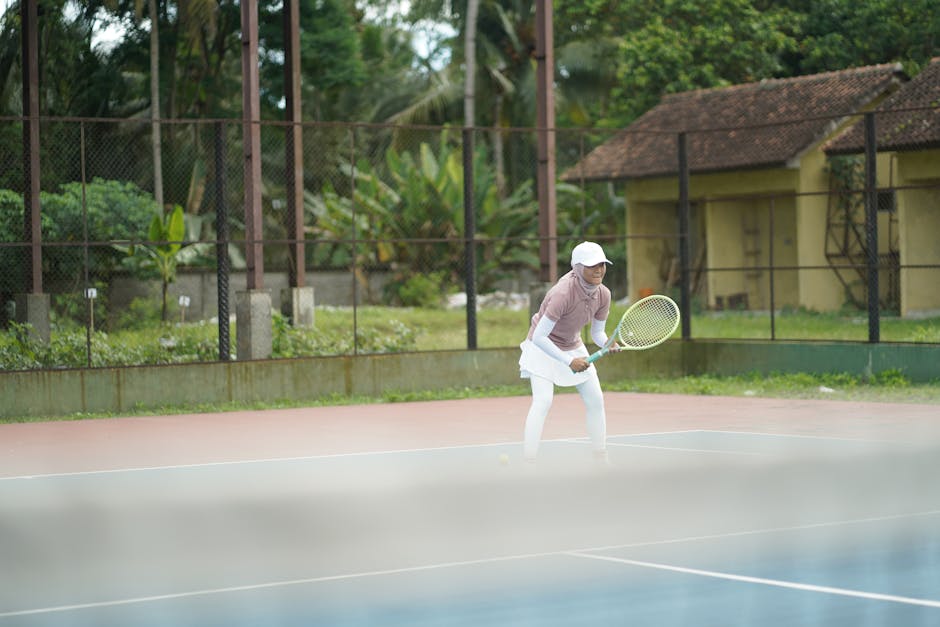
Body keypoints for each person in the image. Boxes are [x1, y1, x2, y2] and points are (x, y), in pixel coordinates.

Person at [518, 241, 619, 466]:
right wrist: (569, 361)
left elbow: (598, 333)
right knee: (543, 401)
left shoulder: (603, 294)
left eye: (602, 264)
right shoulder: (562, 293)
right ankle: (529, 461)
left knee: (596, 400)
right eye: (592, 265)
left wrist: (608, 344)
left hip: (572, 344)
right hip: (542, 347)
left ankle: (600, 457)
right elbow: (539, 337)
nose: (599, 269)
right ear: (576, 267)